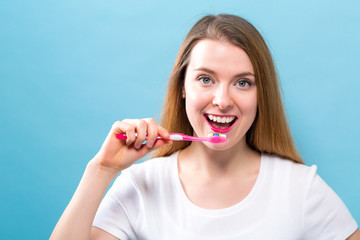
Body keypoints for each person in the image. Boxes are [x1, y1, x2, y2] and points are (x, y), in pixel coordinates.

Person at [51, 14, 359, 240]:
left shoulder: (300, 189)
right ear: (183, 87)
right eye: (205, 79)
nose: (222, 100)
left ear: (260, 94)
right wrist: (101, 170)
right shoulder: (140, 186)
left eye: (242, 82)